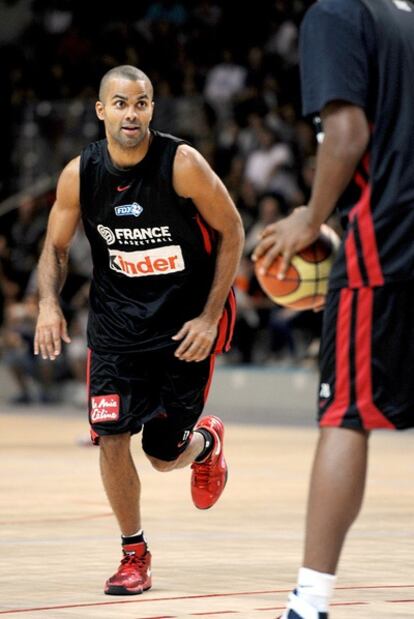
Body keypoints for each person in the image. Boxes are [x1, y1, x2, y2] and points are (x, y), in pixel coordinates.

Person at [34, 65, 244, 596]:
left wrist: (210, 315)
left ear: (152, 109)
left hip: (184, 324)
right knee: (110, 436)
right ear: (102, 110)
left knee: (162, 454)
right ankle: (134, 553)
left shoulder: (183, 164)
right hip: (116, 326)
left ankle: (204, 442)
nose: (133, 113)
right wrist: (47, 307)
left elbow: (233, 230)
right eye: (122, 103)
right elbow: (56, 247)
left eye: (142, 103)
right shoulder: (80, 174)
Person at [253, 1, 414, 617]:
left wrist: (311, 219)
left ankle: (310, 600)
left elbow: (348, 135)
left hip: (388, 241)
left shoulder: (336, 12)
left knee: (345, 414)